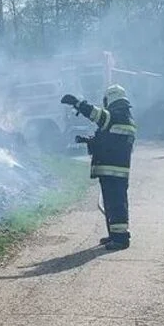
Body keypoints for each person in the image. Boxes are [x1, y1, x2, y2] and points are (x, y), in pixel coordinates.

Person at [62, 84, 137, 250]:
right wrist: (89, 140)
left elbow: (96, 114)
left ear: (110, 99)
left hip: (112, 169)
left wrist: (77, 103)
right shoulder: (125, 117)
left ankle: (121, 239)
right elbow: (111, 141)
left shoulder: (117, 115)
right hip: (115, 169)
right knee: (112, 203)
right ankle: (115, 235)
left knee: (116, 203)